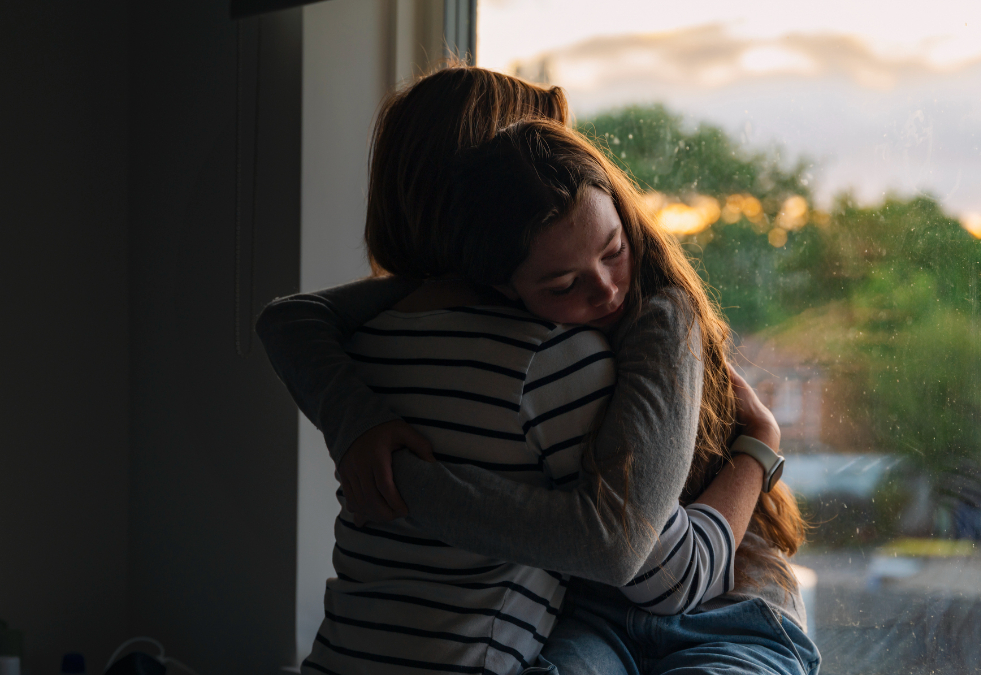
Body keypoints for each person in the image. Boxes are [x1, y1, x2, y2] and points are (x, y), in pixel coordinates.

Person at [258, 66, 819, 674]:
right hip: (617, 602)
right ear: (482, 212)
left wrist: (385, 459)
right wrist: (759, 450)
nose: (601, 288)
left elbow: (292, 319)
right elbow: (654, 567)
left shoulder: (375, 339)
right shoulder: (541, 357)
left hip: (724, 590)